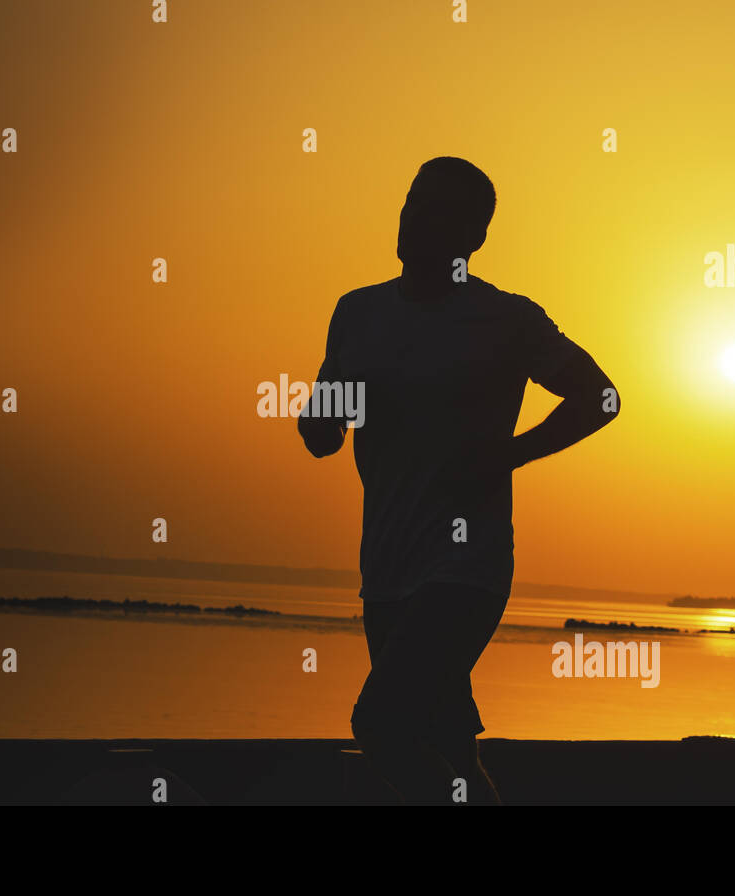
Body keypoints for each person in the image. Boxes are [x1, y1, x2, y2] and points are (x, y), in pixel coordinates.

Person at [298, 157, 620, 804]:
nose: (415, 216)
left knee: (380, 725)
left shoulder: (507, 319)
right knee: (447, 751)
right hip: (386, 568)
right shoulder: (357, 312)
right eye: (413, 199)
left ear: (474, 237)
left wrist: (511, 454)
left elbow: (601, 396)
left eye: (439, 208)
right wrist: (321, 423)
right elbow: (324, 430)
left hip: (465, 567)